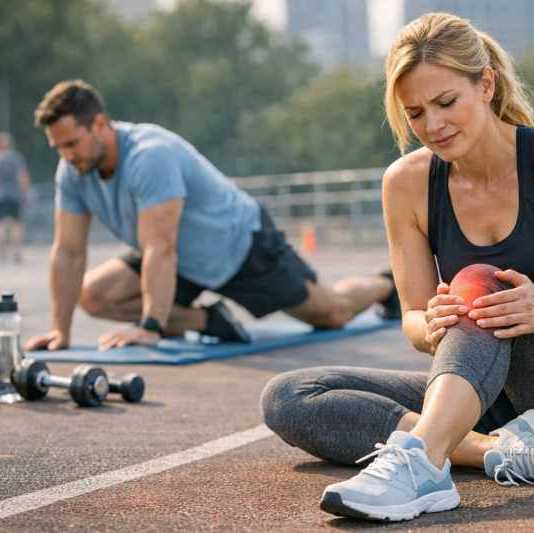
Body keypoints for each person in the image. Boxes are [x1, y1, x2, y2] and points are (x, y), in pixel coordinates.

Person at [260, 13, 534, 522]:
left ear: (486, 84)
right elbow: (410, 317)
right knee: (290, 396)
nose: (434, 126)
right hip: (501, 405)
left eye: (447, 102)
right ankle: (494, 451)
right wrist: (432, 322)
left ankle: (424, 461)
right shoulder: (405, 185)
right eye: (415, 113)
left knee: (478, 281)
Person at [23, 80, 398, 353]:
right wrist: (61, 330)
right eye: (58, 148)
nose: (67, 156)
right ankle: (208, 321)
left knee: (332, 311)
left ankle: (386, 285)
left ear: (100, 125)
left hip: (239, 246)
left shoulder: (149, 156)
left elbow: (159, 247)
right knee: (94, 296)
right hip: (180, 262)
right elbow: (68, 253)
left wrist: (152, 326)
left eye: (72, 143)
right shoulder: (72, 172)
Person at [0, 132, 32, 263]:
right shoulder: (16, 158)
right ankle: (16, 252)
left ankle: (1, 253)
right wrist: (26, 193)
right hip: (14, 196)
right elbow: (22, 177)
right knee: (16, 225)